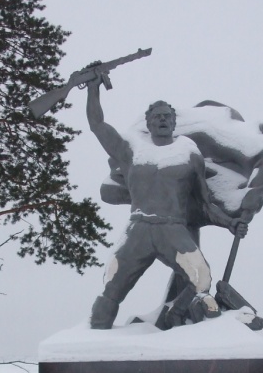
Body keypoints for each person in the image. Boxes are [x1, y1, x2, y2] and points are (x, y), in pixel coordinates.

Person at [86, 77, 247, 329]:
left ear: (174, 123)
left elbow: (204, 205)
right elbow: (97, 124)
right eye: (157, 117)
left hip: (173, 229)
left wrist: (230, 223)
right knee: (112, 287)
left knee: (201, 279)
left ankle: (184, 319)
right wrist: (92, 88)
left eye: (167, 117)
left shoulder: (189, 153)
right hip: (139, 229)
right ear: (148, 123)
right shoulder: (131, 149)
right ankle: (95, 334)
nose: (162, 120)